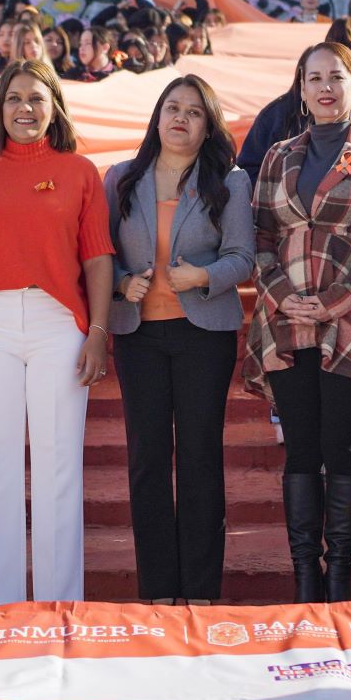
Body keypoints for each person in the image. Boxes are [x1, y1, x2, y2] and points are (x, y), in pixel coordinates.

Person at [242, 43, 351, 602]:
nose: (325, 88)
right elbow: (260, 237)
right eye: (314, 78)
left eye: (335, 77)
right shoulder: (276, 156)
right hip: (286, 318)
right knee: (300, 449)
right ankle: (305, 578)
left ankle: (339, 573)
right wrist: (281, 294)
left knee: (344, 447)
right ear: (301, 88)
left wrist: (336, 300)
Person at [0, 60, 113, 605]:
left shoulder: (81, 172)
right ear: (0, 107)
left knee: (59, 464)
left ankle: (61, 605)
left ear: (54, 106)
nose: (24, 109)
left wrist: (98, 331)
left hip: (59, 323)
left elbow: (99, 259)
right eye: (14, 98)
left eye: (36, 98)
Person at [104, 76, 254, 604]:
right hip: (138, 334)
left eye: (194, 112)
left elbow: (243, 255)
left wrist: (205, 276)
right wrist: (122, 282)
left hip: (203, 334)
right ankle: (157, 590)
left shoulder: (229, 182)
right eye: (173, 108)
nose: (181, 119)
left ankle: (200, 590)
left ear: (207, 125)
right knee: (147, 459)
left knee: (198, 458)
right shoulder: (121, 178)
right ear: (157, 116)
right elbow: (104, 255)